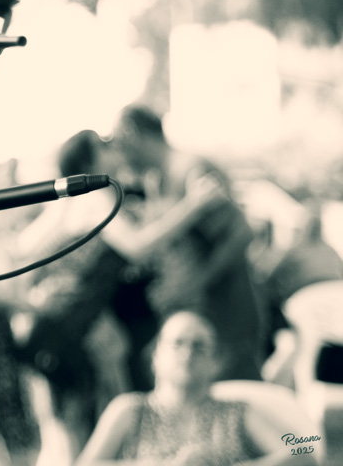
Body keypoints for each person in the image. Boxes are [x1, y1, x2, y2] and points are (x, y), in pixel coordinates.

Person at [111, 105, 264, 384]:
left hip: (226, 319)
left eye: (119, 145)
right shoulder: (154, 179)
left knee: (235, 400)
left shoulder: (191, 169)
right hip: (192, 319)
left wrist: (197, 281)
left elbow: (243, 233)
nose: (119, 157)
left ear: (132, 134)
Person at [73, 311, 318, 466]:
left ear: (215, 362)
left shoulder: (237, 411)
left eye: (199, 346)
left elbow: (305, 452)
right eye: (177, 343)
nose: (187, 353)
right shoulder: (130, 409)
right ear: (155, 356)